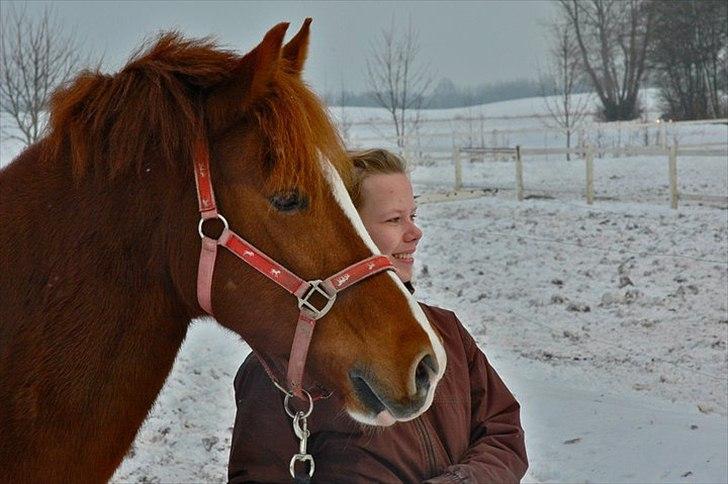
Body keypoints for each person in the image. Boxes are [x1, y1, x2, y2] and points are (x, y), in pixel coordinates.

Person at [228, 149, 528, 483]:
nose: (415, 233)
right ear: (348, 231)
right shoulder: (282, 368)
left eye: (413, 215)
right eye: (394, 220)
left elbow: (503, 432)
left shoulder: (446, 331)